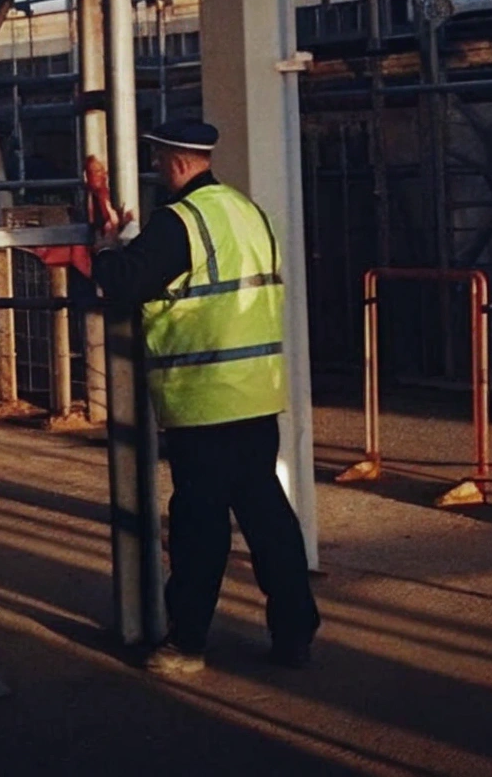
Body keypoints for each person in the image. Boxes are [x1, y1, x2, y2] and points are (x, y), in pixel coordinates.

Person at [88, 119, 320, 675]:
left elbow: (123, 283)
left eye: (158, 159)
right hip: (256, 394)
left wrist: (104, 246)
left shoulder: (179, 221)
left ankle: (186, 644)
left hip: (205, 399)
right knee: (269, 521)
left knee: (199, 527)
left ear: (173, 160)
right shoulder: (248, 212)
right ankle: (295, 635)